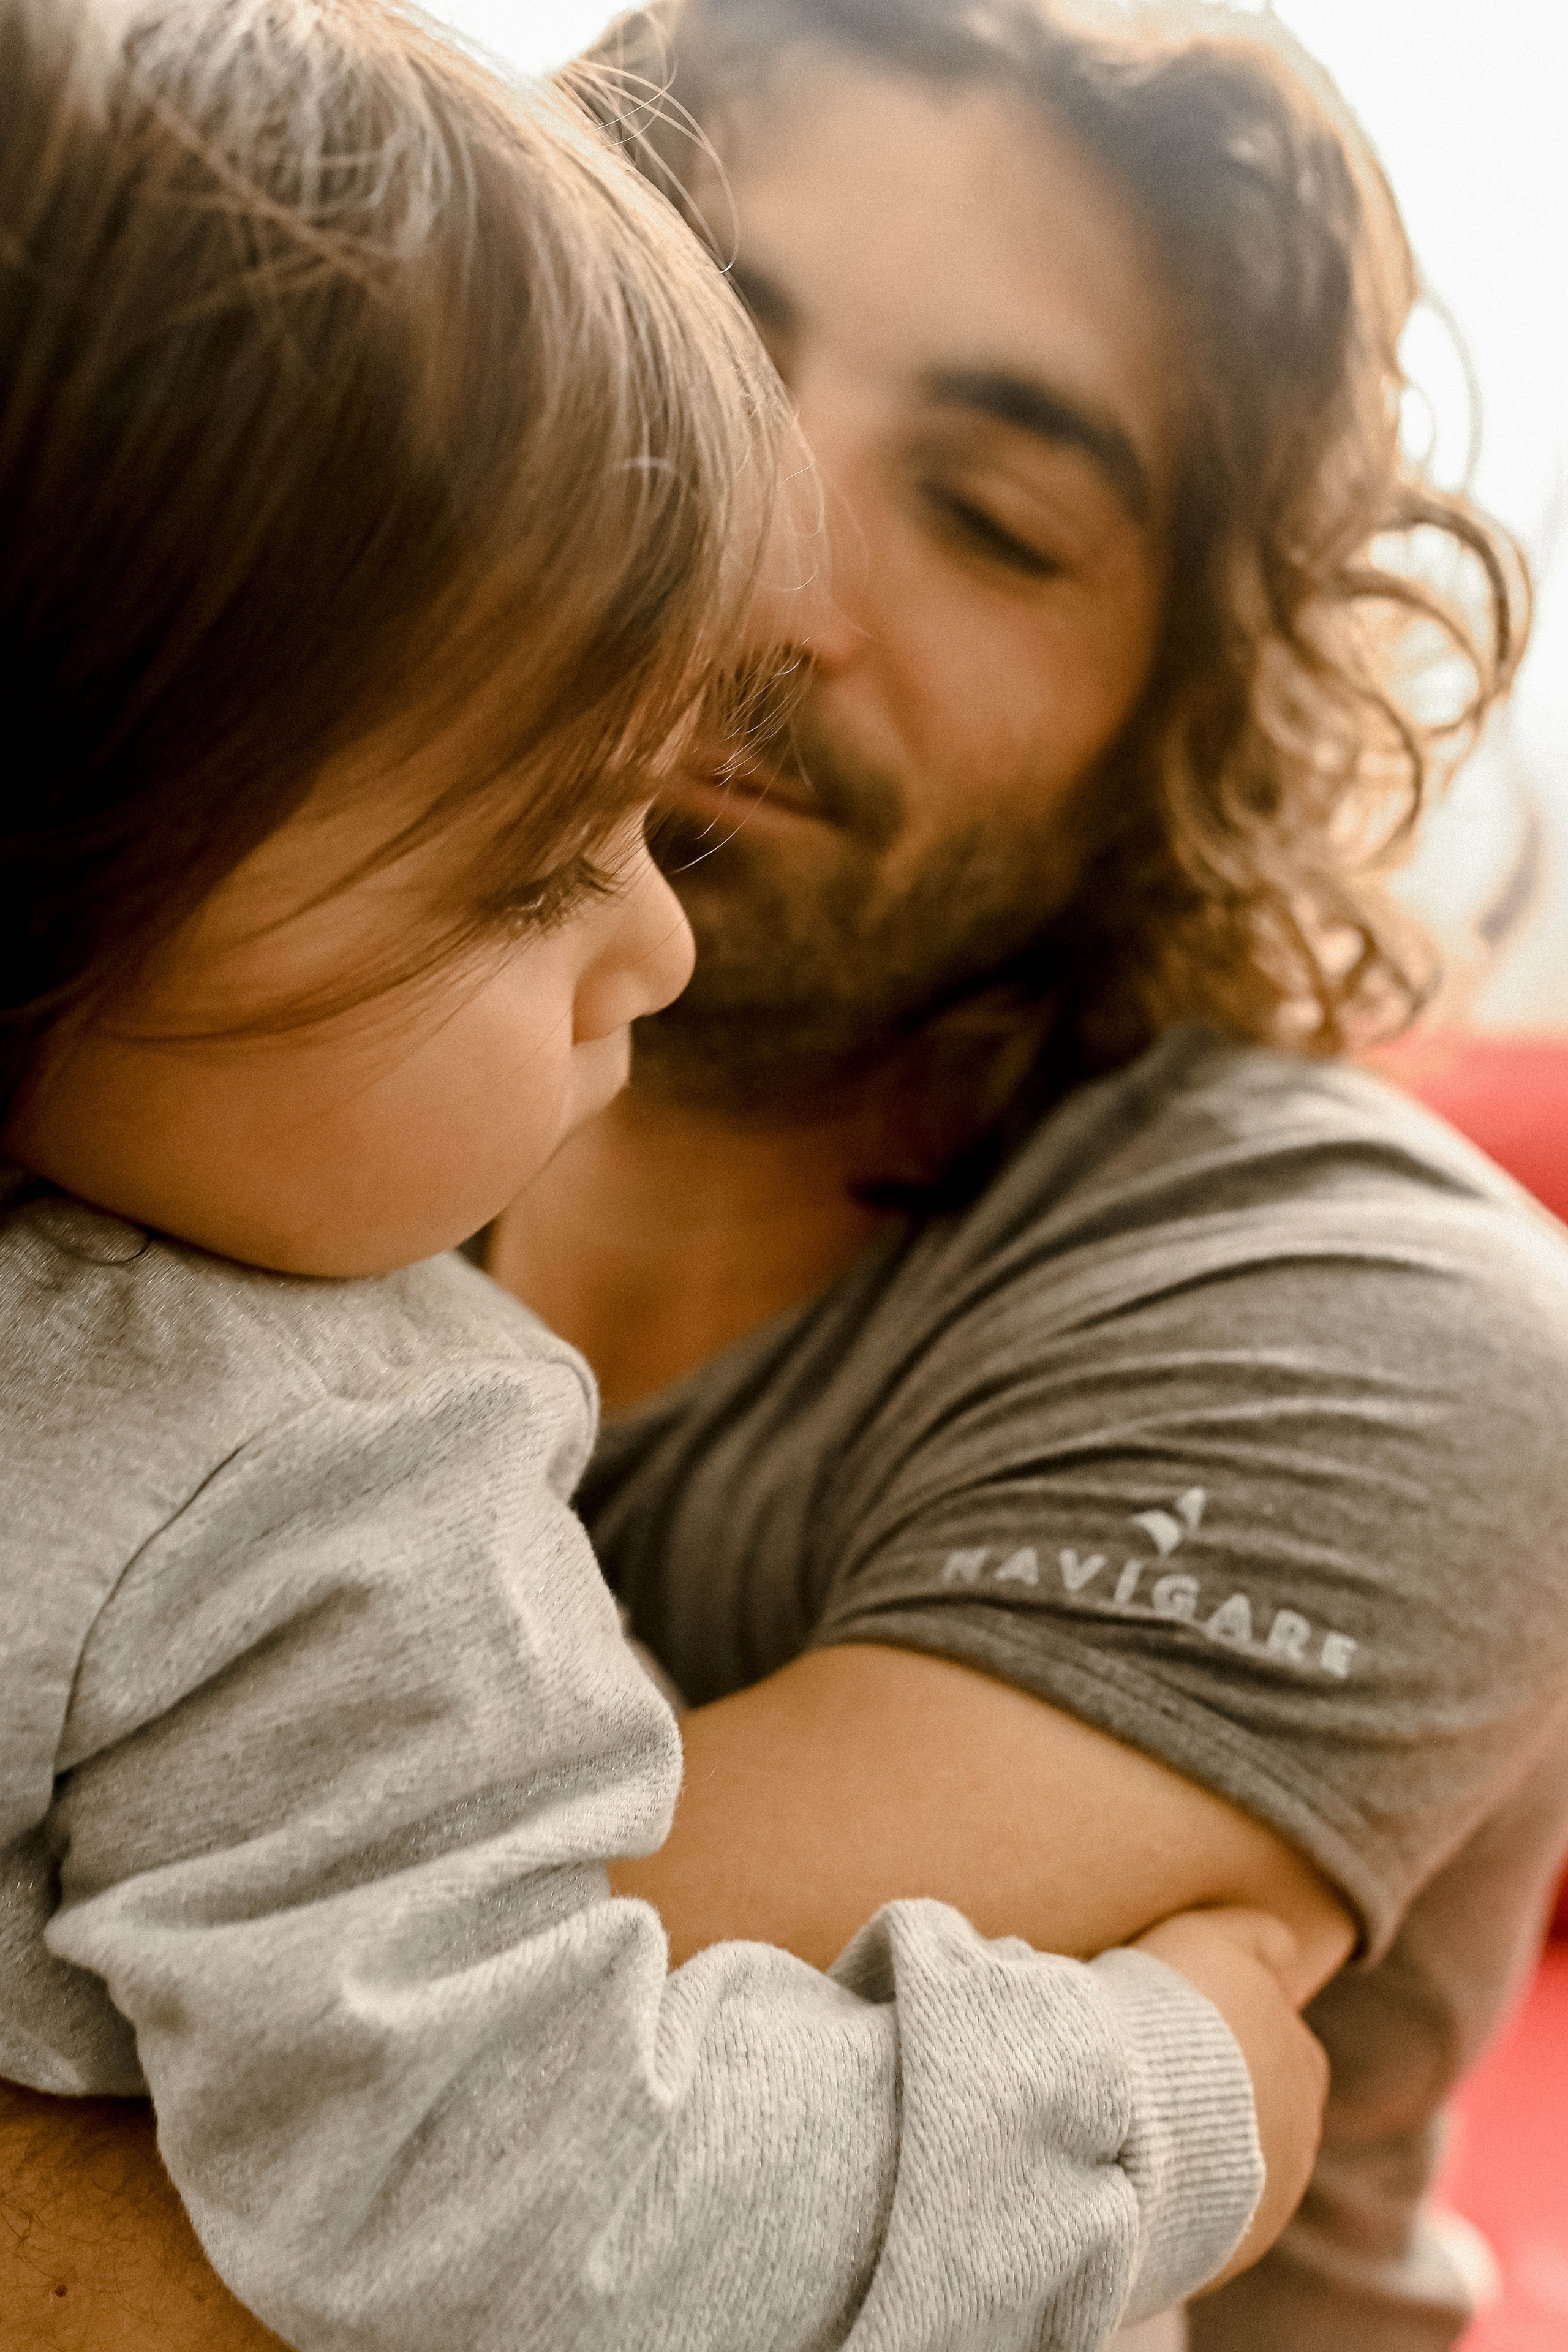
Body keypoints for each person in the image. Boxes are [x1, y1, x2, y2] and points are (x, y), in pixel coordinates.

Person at [4, 0, 1564, 2346]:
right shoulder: (192, 1141)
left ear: (1183, 718)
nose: (754, 587)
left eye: (997, 521)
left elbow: (460, 2208)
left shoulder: (1395, 1348)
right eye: (700, 356)